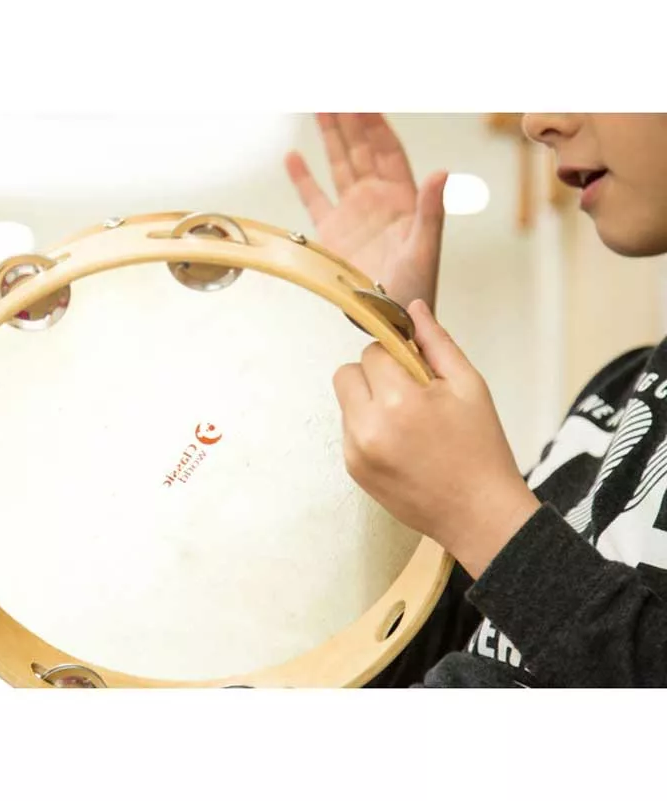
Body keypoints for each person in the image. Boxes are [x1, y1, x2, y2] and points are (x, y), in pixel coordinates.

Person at [284, 113, 667, 687]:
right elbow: (430, 650)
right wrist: (382, 342)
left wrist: (482, 512)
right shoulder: (618, 389)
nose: (538, 121)